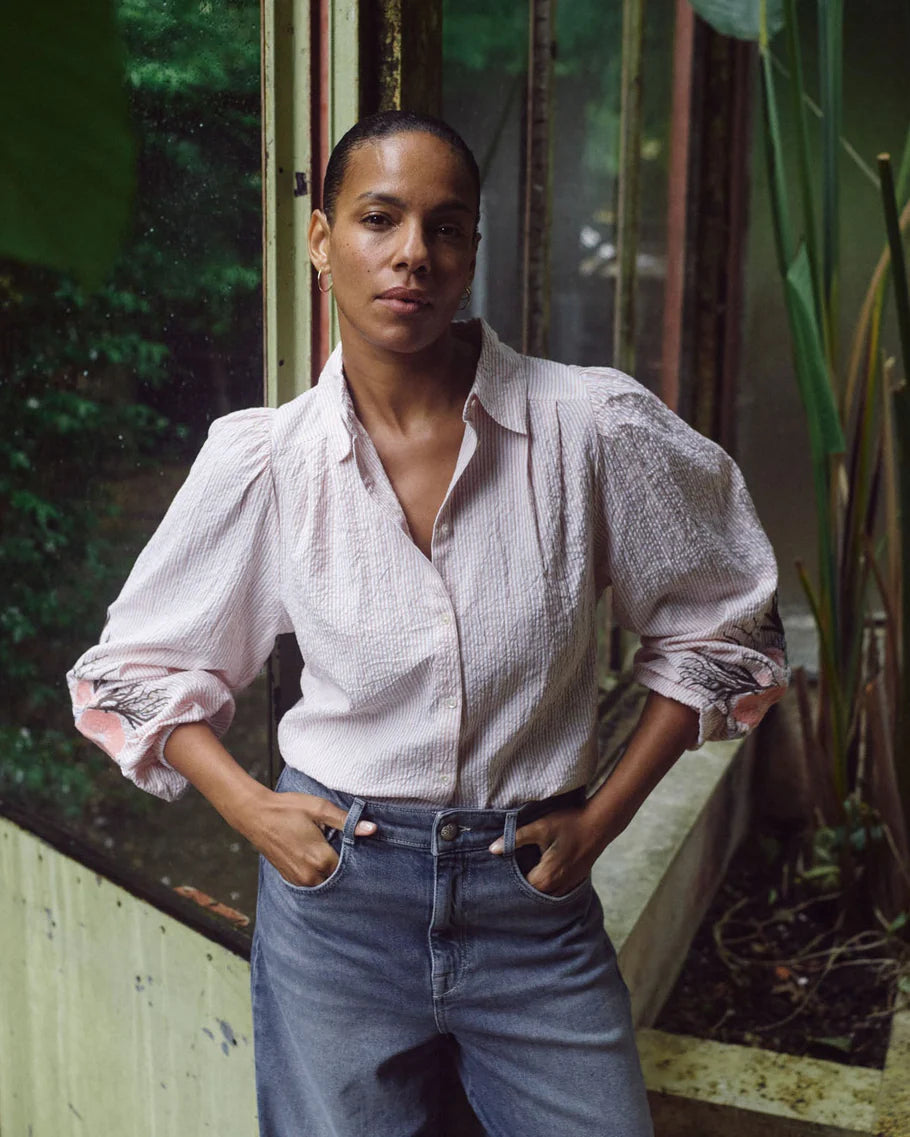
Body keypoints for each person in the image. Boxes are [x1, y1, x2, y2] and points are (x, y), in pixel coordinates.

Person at [69, 110, 789, 1137]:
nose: (413, 253)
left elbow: (723, 623)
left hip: (531, 906)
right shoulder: (267, 461)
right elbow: (136, 668)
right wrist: (248, 808)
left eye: (446, 227)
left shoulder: (588, 427)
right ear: (321, 241)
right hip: (337, 907)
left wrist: (607, 817)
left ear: (472, 254)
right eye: (378, 218)